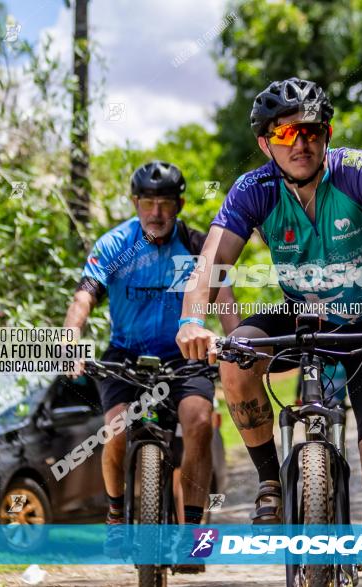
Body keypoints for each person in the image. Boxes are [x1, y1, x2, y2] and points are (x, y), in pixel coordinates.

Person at [176, 77, 362, 587]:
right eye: (286, 134)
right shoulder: (253, 191)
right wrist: (192, 322)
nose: (302, 143)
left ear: (327, 133)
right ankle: (270, 479)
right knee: (235, 358)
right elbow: (210, 263)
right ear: (265, 143)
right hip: (305, 318)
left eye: (313, 131)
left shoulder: (360, 172)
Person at [63, 161, 240, 561]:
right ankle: (114, 515)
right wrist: (70, 339)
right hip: (125, 355)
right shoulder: (114, 244)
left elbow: (226, 303)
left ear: (178, 204)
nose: (156, 213)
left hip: (184, 355)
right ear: (135, 203)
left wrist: (236, 344)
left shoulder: (198, 245)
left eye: (164, 204)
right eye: (147, 203)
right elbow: (83, 297)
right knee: (116, 429)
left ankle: (193, 532)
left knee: (197, 422)